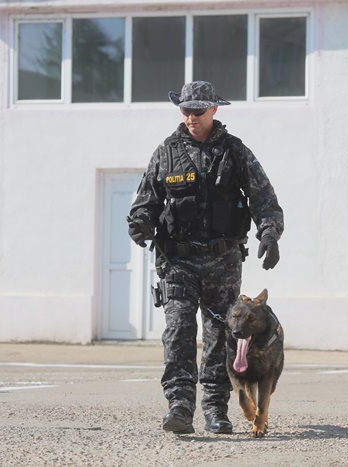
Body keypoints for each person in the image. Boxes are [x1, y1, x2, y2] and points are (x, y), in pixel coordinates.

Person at [128, 81, 284, 435]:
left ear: (214, 109)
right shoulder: (166, 152)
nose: (191, 117)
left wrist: (270, 233)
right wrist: (140, 223)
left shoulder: (234, 151)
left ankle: (216, 408)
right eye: (186, 110)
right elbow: (146, 201)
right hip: (177, 261)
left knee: (221, 335)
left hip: (222, 262)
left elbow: (264, 198)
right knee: (179, 330)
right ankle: (180, 406)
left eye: (198, 110)